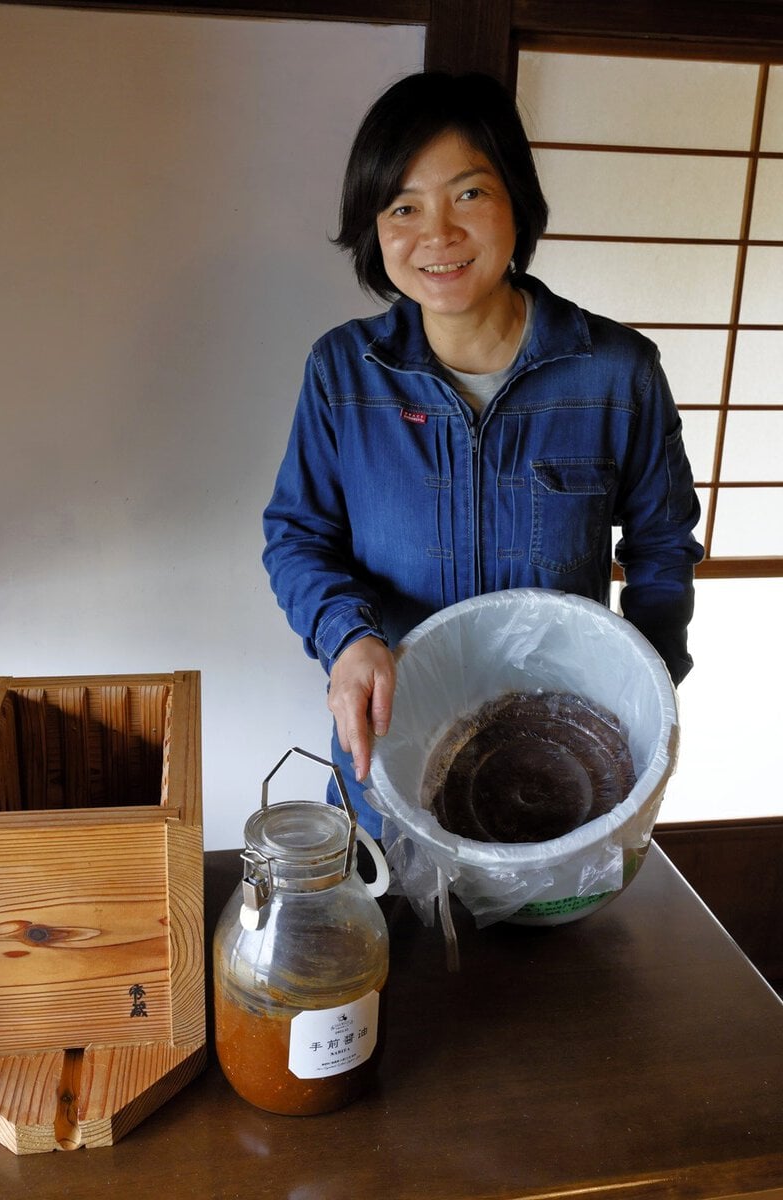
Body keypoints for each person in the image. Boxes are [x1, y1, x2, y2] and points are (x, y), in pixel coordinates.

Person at [263, 71, 703, 836]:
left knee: (560, 954)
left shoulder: (617, 372)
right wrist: (349, 636)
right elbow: (299, 536)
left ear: (516, 202)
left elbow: (662, 546)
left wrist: (647, 686)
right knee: (394, 945)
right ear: (377, 230)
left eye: (468, 194)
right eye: (404, 207)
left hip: (565, 767)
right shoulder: (344, 372)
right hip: (391, 758)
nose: (437, 234)